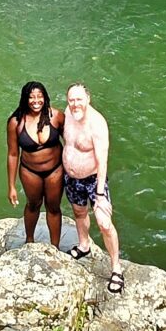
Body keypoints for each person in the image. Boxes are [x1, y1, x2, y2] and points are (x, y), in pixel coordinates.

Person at [62, 82, 124, 293]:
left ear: (88, 99)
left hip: (92, 180)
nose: (75, 104)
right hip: (71, 178)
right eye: (71, 100)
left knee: (105, 222)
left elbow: (102, 161)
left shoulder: (97, 124)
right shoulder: (68, 115)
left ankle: (116, 268)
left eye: (79, 99)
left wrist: (100, 194)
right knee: (79, 212)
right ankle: (84, 245)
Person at [6, 80, 65, 248]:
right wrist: (11, 186)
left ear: (45, 98)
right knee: (33, 205)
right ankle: (29, 241)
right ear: (25, 99)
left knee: (53, 207)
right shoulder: (15, 123)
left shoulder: (56, 116)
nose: (36, 101)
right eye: (31, 97)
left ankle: (55, 247)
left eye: (40, 96)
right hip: (30, 171)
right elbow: (12, 154)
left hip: (56, 170)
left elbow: (71, 142)